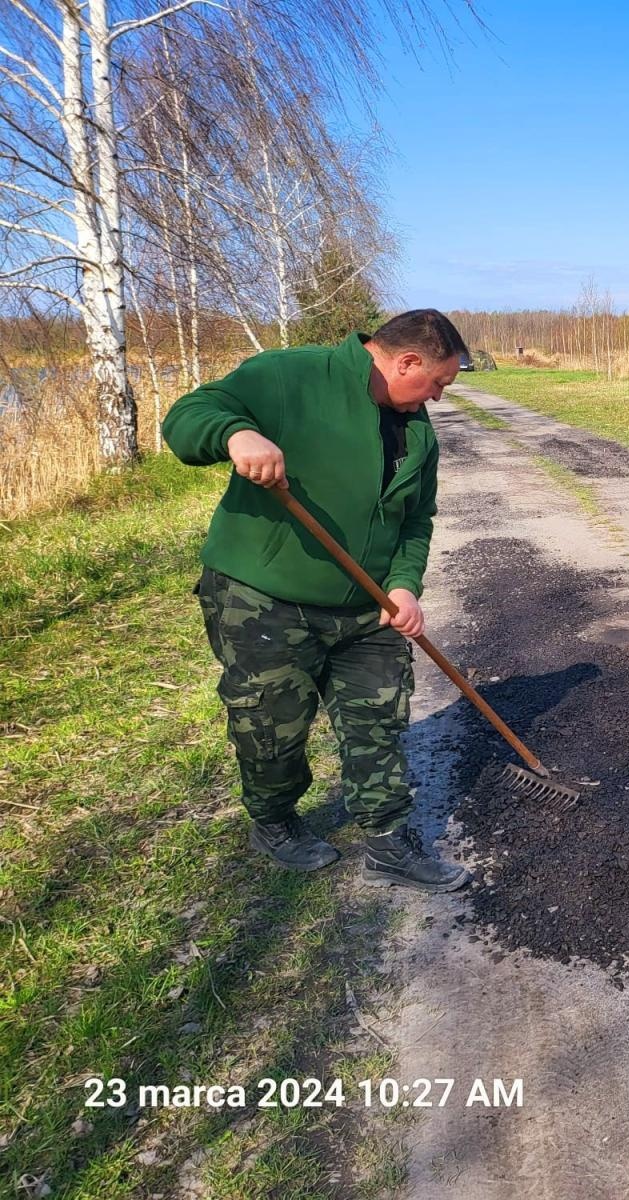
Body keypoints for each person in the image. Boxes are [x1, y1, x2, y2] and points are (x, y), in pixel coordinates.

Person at [161, 310, 472, 891]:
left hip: (368, 608)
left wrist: (403, 584)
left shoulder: (418, 427)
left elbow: (417, 520)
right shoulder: (290, 375)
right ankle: (274, 821)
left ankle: (387, 840)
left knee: (378, 723)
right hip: (264, 602)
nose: (436, 397)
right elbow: (185, 419)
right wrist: (236, 434)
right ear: (406, 362)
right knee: (271, 729)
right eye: (437, 383)